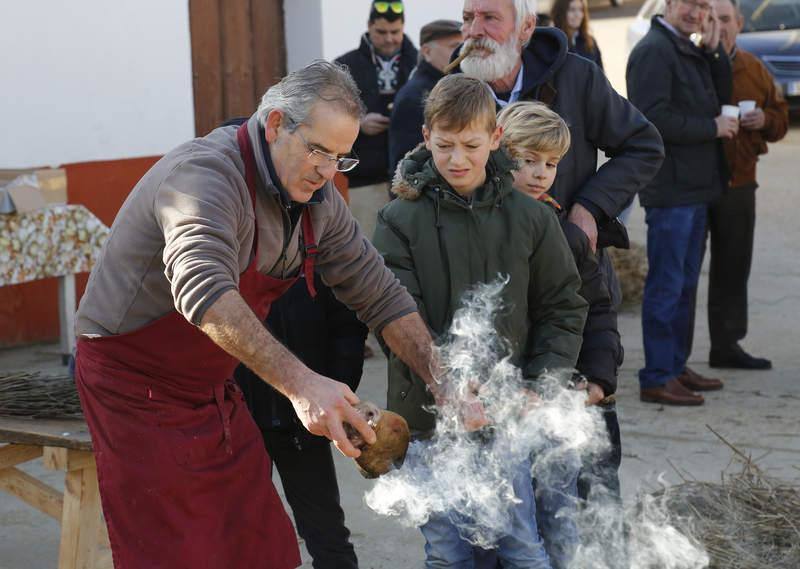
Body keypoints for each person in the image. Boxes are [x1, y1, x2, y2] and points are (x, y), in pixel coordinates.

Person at [73, 60, 456, 568]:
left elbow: (379, 292)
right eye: (318, 150)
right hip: (134, 386)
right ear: (276, 124)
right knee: (177, 554)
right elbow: (203, 289)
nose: (326, 172)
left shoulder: (317, 198)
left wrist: (442, 377)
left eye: (340, 159)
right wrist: (304, 386)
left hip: (211, 386)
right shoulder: (205, 178)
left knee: (259, 546)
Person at [374, 74, 587, 569]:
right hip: (428, 417)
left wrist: (539, 384)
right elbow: (391, 315)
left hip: (507, 417)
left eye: (471, 145)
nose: (456, 159)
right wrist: (445, 382)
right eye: (444, 145)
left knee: (521, 546)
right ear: (425, 138)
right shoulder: (398, 220)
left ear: (495, 139)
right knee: (447, 553)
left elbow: (564, 305)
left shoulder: (531, 218)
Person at [498, 101, 625, 567]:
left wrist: (597, 378)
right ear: (498, 151)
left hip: (558, 396)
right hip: (502, 401)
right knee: (507, 524)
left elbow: (598, 310)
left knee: (561, 514)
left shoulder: (566, 233)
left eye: (550, 164)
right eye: (527, 159)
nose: (539, 173)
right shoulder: (480, 229)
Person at [627, 0, 735, 406]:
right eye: (690, 3)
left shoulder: (687, 46)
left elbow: (722, 94)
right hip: (671, 191)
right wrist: (711, 127)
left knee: (685, 286)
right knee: (667, 286)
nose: (697, 12)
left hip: (694, 188)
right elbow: (652, 119)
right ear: (669, 4)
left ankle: (674, 366)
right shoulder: (654, 51)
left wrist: (713, 50)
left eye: (704, 5)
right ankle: (656, 375)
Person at [235, 273, 367, 568]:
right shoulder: (224, 251)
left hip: (305, 426)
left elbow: (347, 328)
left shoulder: (312, 249)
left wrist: (335, 395)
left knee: (326, 531)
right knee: (241, 532)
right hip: (237, 422)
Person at [707, 0, 789, 370]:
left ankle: (727, 347)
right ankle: (671, 362)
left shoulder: (754, 68)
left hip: (741, 181)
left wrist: (764, 119)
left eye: (725, 19)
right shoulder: (692, 64)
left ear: (739, 23)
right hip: (694, 183)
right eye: (713, 18)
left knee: (733, 267)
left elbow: (781, 118)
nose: (720, 26)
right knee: (682, 271)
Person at [335, 0, 418, 239]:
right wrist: (358, 124)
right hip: (365, 177)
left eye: (395, 32)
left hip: (412, 179)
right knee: (368, 248)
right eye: (381, 32)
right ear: (369, 27)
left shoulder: (420, 64)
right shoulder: (344, 65)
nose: (389, 38)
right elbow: (328, 111)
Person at [388, 19, 463, 176]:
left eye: (464, 46)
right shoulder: (414, 97)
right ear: (427, 52)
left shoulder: (456, 88)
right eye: (455, 46)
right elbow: (405, 164)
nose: (462, 52)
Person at [550, 0, 603, 70]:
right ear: (561, 13)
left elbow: (601, 76)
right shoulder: (552, 42)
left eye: (581, 10)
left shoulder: (590, 42)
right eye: (572, 10)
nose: (578, 15)